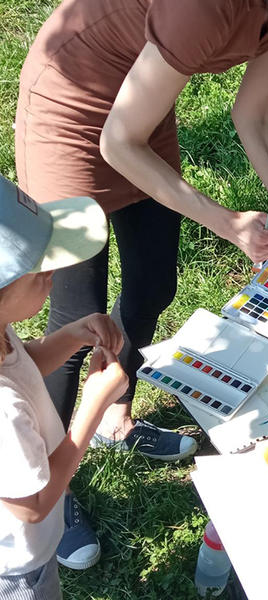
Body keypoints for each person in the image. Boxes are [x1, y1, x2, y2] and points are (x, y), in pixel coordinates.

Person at [15, 0, 268, 569]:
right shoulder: (206, 6)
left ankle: (114, 414)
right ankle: (44, 481)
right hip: (77, 103)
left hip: (142, 107)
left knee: (154, 283)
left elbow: (252, 116)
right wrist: (230, 224)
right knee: (73, 314)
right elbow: (115, 142)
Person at [0, 177, 129, 599]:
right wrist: (92, 406)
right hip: (19, 569)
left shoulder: (1, 333)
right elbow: (31, 505)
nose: (53, 271)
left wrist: (72, 335)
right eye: (39, 269)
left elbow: (25, 365)